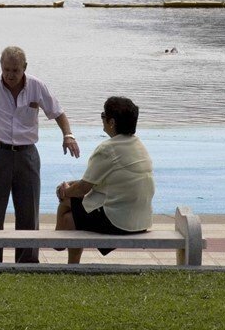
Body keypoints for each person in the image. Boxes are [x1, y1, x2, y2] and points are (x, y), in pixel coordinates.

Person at [0, 46, 80, 263]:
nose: (10, 75)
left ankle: (27, 261)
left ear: (24, 67)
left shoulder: (37, 86)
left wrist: (68, 135)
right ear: (1, 66)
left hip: (27, 155)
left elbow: (58, 112)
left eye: (15, 70)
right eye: (6, 70)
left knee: (29, 210)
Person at [55, 96, 154, 263]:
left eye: (103, 115)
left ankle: (58, 242)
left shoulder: (108, 149)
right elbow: (108, 180)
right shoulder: (138, 145)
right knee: (71, 218)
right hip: (142, 220)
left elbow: (83, 189)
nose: (102, 119)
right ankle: (71, 262)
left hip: (119, 222)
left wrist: (64, 190)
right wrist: (74, 186)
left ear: (112, 122)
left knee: (66, 202)